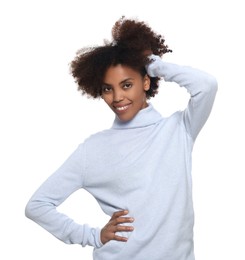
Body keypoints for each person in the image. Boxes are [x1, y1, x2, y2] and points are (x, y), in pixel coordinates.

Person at [25, 16, 218, 260]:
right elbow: (37, 206)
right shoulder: (93, 149)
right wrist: (93, 236)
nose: (117, 97)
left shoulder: (179, 129)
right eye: (108, 88)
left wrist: (152, 63)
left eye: (127, 85)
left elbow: (207, 85)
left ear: (145, 82)